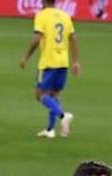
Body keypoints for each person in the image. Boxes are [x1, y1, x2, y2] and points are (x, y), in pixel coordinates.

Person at [20, 0, 79, 139]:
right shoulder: (65, 15)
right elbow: (74, 38)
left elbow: (36, 38)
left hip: (48, 62)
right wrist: (76, 61)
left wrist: (26, 57)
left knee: (40, 95)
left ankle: (63, 116)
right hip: (63, 62)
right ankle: (50, 129)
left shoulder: (42, 15)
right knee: (54, 95)